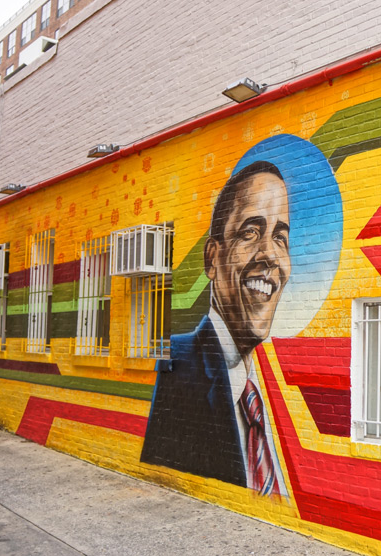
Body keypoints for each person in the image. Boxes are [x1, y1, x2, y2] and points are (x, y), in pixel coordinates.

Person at [141, 161, 291, 496]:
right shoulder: (178, 368)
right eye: (250, 233)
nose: (270, 255)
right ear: (212, 258)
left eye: (281, 237)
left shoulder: (261, 391)